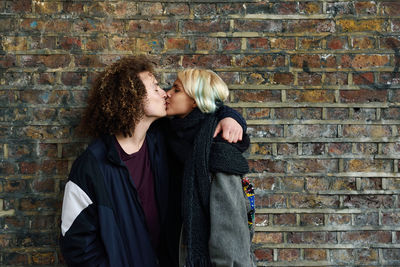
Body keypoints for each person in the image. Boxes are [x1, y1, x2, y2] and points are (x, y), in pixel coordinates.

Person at [59, 56, 247, 267]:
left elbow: (204, 106)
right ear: (131, 98)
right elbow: (76, 243)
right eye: (155, 87)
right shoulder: (93, 164)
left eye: (166, 88)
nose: (164, 92)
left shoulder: (163, 142)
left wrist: (230, 116)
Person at [165, 69, 255, 267]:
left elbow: (230, 233)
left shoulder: (218, 149)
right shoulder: (171, 135)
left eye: (176, 89)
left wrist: (230, 116)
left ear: (195, 101)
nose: (167, 93)